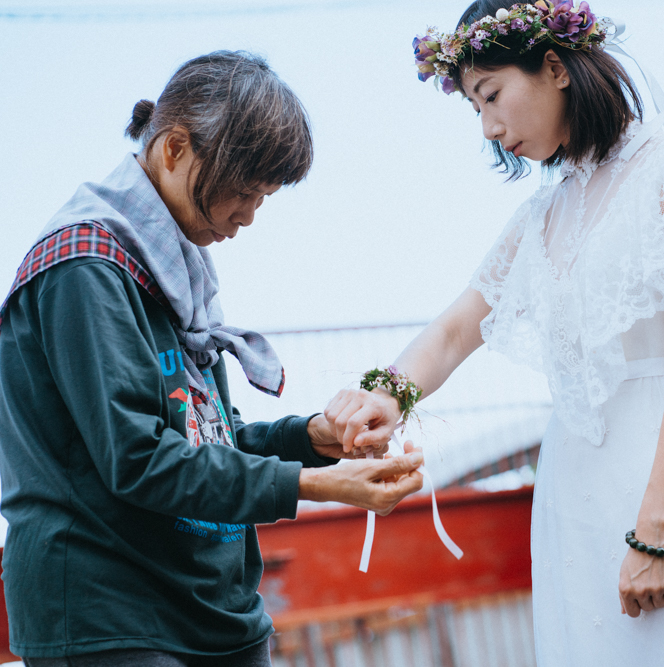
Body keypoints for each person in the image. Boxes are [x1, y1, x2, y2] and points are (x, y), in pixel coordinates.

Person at [327, 1, 664, 664]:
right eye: (474, 108)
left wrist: (656, 528)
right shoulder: (541, 216)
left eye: (491, 95)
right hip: (578, 493)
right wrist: (386, 396)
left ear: (554, 67)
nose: (488, 127)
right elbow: (456, 330)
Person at [0, 51, 424, 666]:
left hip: (213, 609)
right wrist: (308, 486)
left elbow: (207, 442)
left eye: (263, 198)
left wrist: (310, 439)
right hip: (111, 615)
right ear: (175, 148)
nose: (247, 217)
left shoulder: (172, 270)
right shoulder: (84, 267)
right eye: (244, 192)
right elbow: (140, 459)